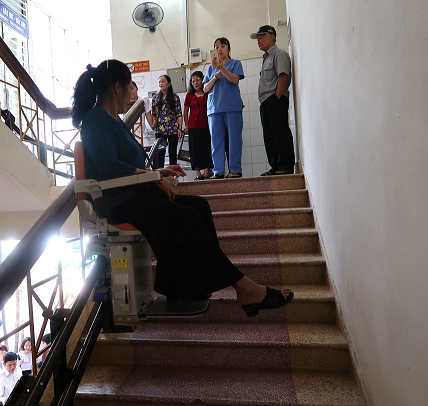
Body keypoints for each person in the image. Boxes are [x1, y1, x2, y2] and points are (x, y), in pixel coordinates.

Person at [71, 59, 293, 316]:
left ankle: (186, 287)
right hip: (119, 203)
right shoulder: (96, 119)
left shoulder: (113, 120)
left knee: (200, 207)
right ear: (117, 87)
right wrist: (153, 176)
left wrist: (159, 172)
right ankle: (245, 288)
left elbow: (125, 164)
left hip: (133, 195)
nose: (132, 93)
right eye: (130, 86)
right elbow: (109, 167)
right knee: (188, 218)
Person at [252, 25, 295, 176]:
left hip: (275, 99)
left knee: (280, 132)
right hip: (265, 101)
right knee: (269, 136)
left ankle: (285, 165)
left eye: (261, 37)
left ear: (272, 36)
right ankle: (275, 166)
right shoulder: (266, 57)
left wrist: (277, 97)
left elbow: (283, 76)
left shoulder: (279, 54)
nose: (259, 40)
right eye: (257, 38)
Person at [203, 37, 245, 179]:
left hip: (232, 106)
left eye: (223, 46)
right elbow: (205, 89)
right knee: (216, 141)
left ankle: (235, 169)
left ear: (229, 49)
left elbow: (234, 80)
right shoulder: (210, 68)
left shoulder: (235, 63)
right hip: (214, 108)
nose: (219, 49)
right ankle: (218, 171)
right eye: (217, 47)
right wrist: (215, 77)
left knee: (234, 139)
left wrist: (221, 68)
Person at [184, 71, 213, 180]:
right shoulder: (189, 95)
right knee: (194, 150)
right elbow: (185, 111)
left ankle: (206, 173)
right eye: (193, 81)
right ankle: (198, 174)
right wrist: (186, 125)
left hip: (207, 125)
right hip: (193, 127)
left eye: (197, 80)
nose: (195, 83)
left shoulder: (208, 93)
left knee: (206, 149)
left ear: (202, 80)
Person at [151, 75, 183, 168]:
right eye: (159, 82)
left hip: (173, 129)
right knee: (160, 153)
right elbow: (154, 115)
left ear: (169, 84)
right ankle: (161, 174)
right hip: (160, 130)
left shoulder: (175, 97)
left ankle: (173, 173)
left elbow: (179, 114)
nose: (161, 83)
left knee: (172, 153)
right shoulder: (155, 98)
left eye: (163, 81)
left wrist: (180, 129)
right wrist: (155, 130)